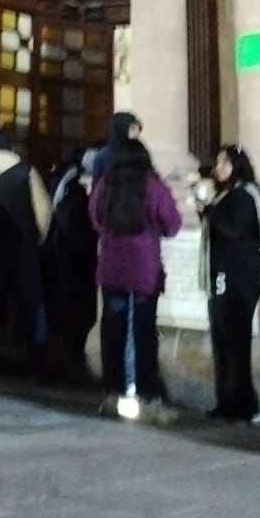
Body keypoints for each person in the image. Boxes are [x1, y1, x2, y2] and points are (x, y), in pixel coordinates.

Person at [89, 140, 181, 415]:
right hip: (144, 267)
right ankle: (146, 394)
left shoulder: (107, 184)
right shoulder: (153, 186)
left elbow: (95, 217)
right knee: (144, 331)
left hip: (113, 265)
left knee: (113, 331)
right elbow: (172, 223)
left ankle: (113, 393)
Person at [0, 128, 52, 382]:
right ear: (12, 148)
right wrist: (39, 239)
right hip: (22, 246)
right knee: (32, 305)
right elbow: (44, 209)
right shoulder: (26, 171)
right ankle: (37, 362)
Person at [199, 143, 260, 424]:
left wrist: (210, 211)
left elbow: (234, 230)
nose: (219, 167)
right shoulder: (228, 195)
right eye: (217, 162)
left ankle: (243, 404)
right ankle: (226, 400)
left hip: (237, 275)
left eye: (225, 162)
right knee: (223, 338)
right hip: (223, 272)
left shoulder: (244, 195)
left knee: (235, 340)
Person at [46, 148, 99, 383]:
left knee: (71, 300)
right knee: (78, 302)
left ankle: (70, 345)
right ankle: (73, 348)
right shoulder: (80, 186)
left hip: (67, 249)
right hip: (78, 252)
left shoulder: (69, 178)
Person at [90, 111, 142, 186]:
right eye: (132, 128)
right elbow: (96, 189)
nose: (137, 133)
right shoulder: (104, 156)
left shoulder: (139, 153)